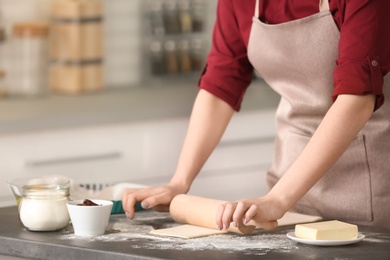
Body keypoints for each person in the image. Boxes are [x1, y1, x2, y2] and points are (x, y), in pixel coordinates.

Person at [123, 0, 390, 230]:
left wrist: (277, 200)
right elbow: (220, 85)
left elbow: (356, 100)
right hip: (289, 189)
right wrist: (180, 181)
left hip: (367, 186)